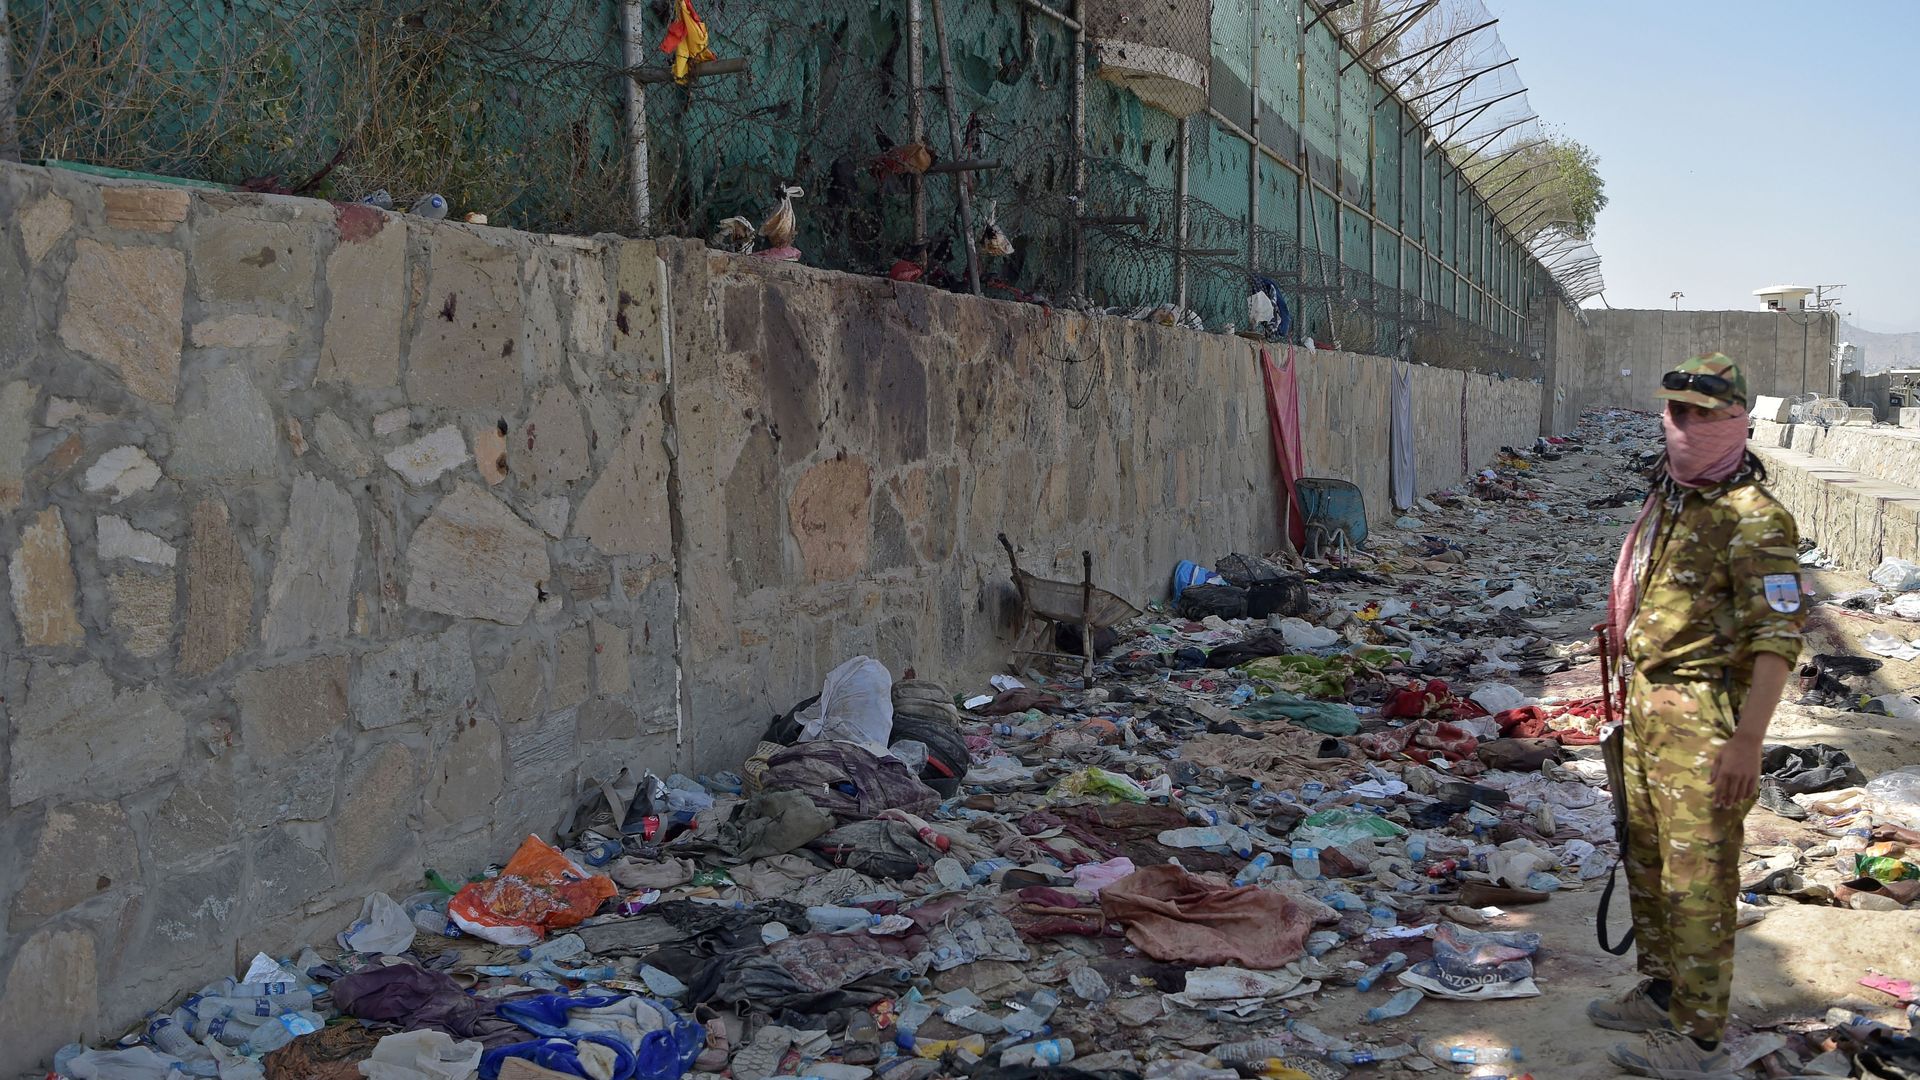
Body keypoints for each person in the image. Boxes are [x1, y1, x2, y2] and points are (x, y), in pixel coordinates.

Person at [1592, 354, 1807, 1079]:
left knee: (1698, 877)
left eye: (1702, 415)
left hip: (1706, 720)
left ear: (1737, 421)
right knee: (1649, 861)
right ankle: (1661, 990)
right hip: (1649, 707)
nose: (1684, 426)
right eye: (1676, 412)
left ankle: (1700, 1035)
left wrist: (1747, 742)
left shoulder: (1756, 520)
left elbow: (1778, 639)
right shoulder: (1678, 496)